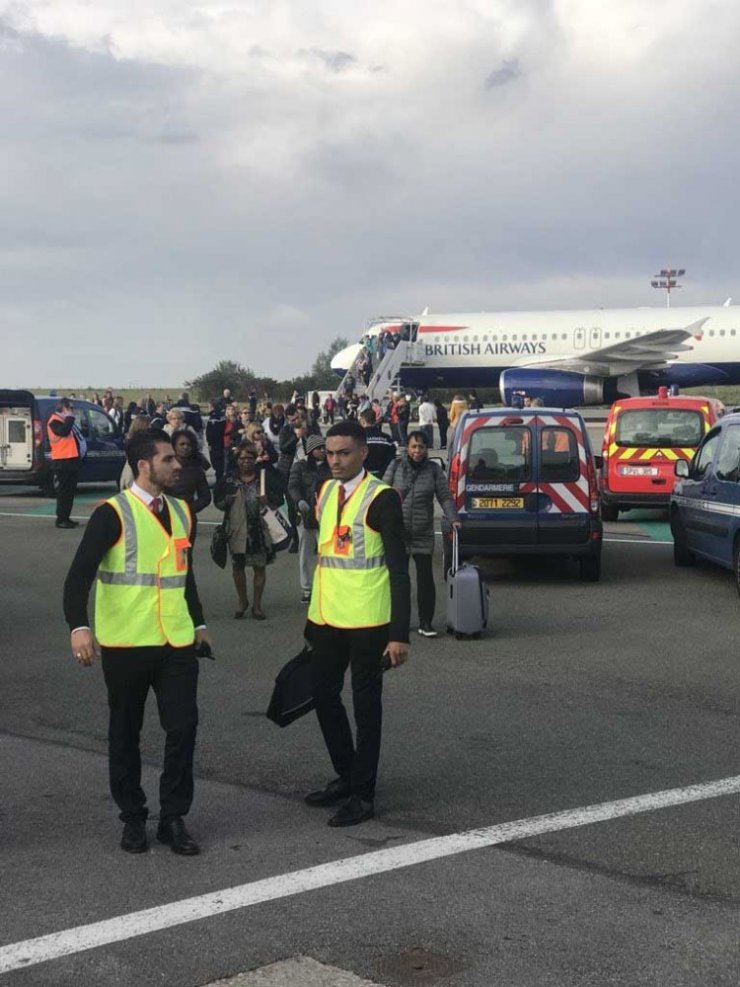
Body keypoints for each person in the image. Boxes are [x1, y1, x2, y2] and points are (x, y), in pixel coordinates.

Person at [63, 431, 211, 855]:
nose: (177, 465)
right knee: (126, 732)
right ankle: (132, 817)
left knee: (183, 727)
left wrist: (199, 623)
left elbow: (186, 574)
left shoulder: (183, 511)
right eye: (167, 459)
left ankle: (173, 817)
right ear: (144, 465)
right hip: (127, 643)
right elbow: (78, 578)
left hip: (177, 642)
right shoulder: (113, 514)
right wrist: (79, 627)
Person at [305, 420, 410, 827]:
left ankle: (363, 794)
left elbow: (399, 571)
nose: (334, 461)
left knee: (366, 708)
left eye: (344, 453)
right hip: (327, 617)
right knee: (322, 696)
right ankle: (346, 774)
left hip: (368, 621)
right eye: (329, 453)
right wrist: (310, 620)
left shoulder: (381, 499)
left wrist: (399, 635)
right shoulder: (325, 490)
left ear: (363, 453)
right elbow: (326, 560)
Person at [383, 431, 460, 637]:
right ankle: (400, 621)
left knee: (425, 578)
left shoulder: (434, 470)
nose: (418, 451)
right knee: (400, 580)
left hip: (423, 532)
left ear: (427, 449)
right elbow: (382, 493)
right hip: (398, 533)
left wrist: (454, 518)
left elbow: (444, 496)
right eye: (414, 446)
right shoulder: (396, 466)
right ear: (407, 448)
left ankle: (426, 622)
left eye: (422, 447)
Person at [214, 440, 284, 620]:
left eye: (250, 458)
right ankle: (242, 601)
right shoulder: (229, 479)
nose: (246, 461)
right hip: (237, 530)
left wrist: (267, 500)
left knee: (259, 567)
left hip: (259, 530)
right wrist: (226, 501)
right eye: (242, 458)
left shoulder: (264, 477)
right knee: (238, 567)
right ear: (237, 460)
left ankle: (257, 605)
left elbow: (279, 499)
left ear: (255, 459)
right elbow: (218, 501)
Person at [288, 434, 330, 603]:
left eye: (324, 448)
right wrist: (299, 501)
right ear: (311, 450)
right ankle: (307, 588)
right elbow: (292, 486)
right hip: (306, 517)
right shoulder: (300, 466)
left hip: (327, 516)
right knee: (305, 554)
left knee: (326, 554)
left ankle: (326, 586)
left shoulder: (331, 467)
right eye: (320, 448)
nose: (323, 451)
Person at [166, 430, 212, 543]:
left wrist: (189, 509)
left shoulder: (196, 469)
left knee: (185, 556)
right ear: (174, 446)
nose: (186, 447)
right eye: (182, 444)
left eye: (189, 445)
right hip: (165, 517)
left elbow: (206, 497)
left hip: (187, 518)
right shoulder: (164, 466)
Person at [47, 397, 87, 528]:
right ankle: (61, 519)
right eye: (70, 408)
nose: (72, 410)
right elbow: (64, 432)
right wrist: (70, 418)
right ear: (62, 408)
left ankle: (67, 517)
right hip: (62, 462)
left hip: (71, 460)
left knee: (70, 492)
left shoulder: (65, 421)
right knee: (63, 492)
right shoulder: (54, 421)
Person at [359, 408, 396, 478]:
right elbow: (392, 459)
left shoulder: (357, 439)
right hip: (383, 477)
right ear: (375, 420)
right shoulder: (387, 439)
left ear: (363, 421)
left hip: (362, 477)